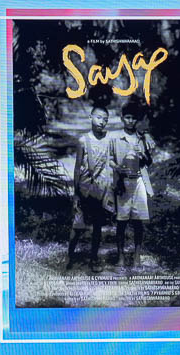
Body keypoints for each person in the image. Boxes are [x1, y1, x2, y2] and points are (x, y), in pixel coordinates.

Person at [68, 104, 114, 273]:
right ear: (91, 118)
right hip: (84, 188)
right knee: (78, 225)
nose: (102, 122)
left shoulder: (109, 140)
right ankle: (70, 257)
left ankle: (94, 258)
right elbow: (77, 168)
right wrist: (75, 194)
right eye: (99, 117)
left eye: (105, 119)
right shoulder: (83, 140)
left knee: (97, 225)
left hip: (101, 190)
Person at [110, 100, 156, 268]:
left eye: (133, 118)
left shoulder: (141, 138)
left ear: (137, 120)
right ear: (122, 118)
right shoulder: (115, 138)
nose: (130, 121)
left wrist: (143, 155)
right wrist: (117, 168)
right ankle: (120, 256)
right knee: (121, 221)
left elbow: (149, 161)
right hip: (123, 182)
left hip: (139, 181)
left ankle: (137, 256)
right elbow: (109, 159)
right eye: (127, 117)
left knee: (138, 220)